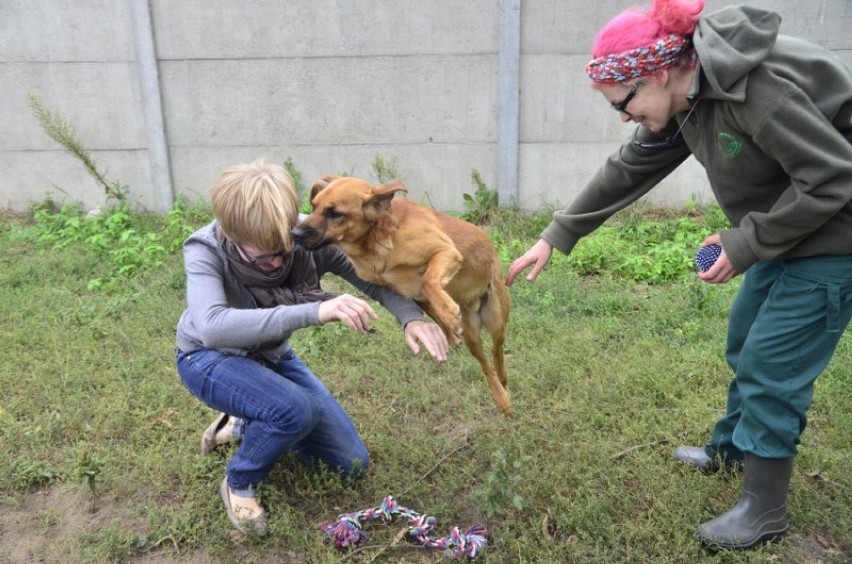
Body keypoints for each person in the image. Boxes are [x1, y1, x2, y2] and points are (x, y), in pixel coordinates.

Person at [507, 0, 852, 551]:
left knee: (771, 365)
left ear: (662, 72)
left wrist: (743, 242)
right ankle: (734, 450)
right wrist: (557, 234)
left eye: (624, 101)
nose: (623, 115)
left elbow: (834, 180)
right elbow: (631, 165)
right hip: (788, 230)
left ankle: (763, 511)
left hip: (835, 237)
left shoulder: (756, 90)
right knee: (745, 342)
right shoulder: (689, 100)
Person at [175, 159, 448, 534]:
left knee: (348, 463)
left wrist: (410, 316)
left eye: (282, 246)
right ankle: (239, 480)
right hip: (209, 358)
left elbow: (368, 277)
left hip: (269, 356)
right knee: (293, 411)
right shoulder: (205, 249)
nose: (275, 260)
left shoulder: (308, 232)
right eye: (262, 254)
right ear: (231, 231)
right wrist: (316, 310)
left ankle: (240, 422)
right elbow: (212, 327)